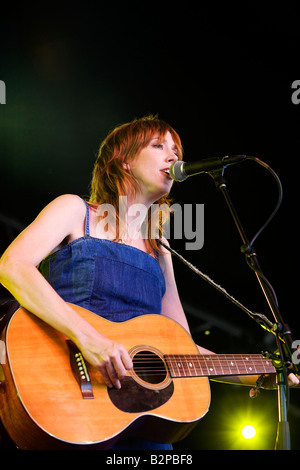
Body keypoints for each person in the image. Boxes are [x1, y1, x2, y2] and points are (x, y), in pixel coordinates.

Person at [0, 115, 298, 450]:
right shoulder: (73, 210)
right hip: (69, 396)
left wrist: (257, 371)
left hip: (138, 423)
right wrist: (90, 338)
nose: (174, 158)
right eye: (159, 146)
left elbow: (181, 347)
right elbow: (13, 266)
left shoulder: (160, 248)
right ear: (124, 160)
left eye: (176, 150)